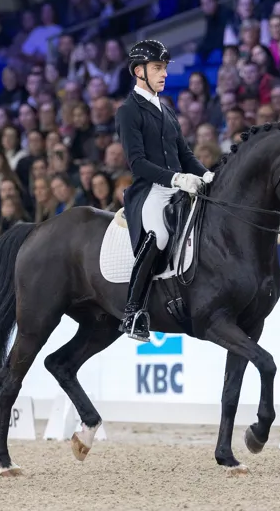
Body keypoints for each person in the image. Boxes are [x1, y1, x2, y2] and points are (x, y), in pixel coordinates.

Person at [116, 39, 213, 343]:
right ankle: (133, 312)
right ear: (139, 71)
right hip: (151, 191)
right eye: (157, 67)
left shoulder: (167, 110)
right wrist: (176, 179)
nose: (164, 74)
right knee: (159, 234)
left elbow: (185, 155)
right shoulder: (129, 111)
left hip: (178, 185)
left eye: (164, 68)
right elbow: (138, 163)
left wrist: (207, 174)